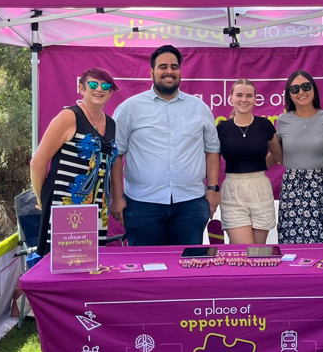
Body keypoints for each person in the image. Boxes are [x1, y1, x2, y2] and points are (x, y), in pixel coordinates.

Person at [110, 45, 220, 246]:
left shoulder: (200, 108)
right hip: (142, 204)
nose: (169, 71)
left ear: (180, 71)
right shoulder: (129, 108)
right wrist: (117, 198)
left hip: (191, 203)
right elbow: (116, 154)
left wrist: (213, 188)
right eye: (163, 67)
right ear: (152, 72)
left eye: (174, 67)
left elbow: (212, 149)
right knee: (146, 270)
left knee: (187, 269)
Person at [30, 68, 119, 256]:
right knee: (63, 262)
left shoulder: (111, 124)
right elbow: (38, 162)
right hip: (66, 205)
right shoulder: (69, 117)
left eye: (106, 85)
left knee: (89, 265)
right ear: (81, 88)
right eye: (93, 84)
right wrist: (41, 199)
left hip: (97, 208)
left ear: (111, 92)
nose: (99, 89)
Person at [273, 70, 323, 244]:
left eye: (305, 86)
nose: (301, 92)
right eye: (294, 89)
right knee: (292, 243)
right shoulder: (282, 120)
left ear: (314, 89)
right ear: (289, 94)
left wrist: (321, 157)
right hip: (292, 188)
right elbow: (277, 154)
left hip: (321, 188)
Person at [217, 79, 282, 244]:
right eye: (239, 95)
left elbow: (279, 156)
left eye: (249, 95)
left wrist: (256, 165)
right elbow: (212, 162)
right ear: (231, 98)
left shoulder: (265, 125)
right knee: (244, 250)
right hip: (233, 190)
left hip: (260, 189)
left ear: (255, 98)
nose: (244, 99)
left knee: (258, 253)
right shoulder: (222, 128)